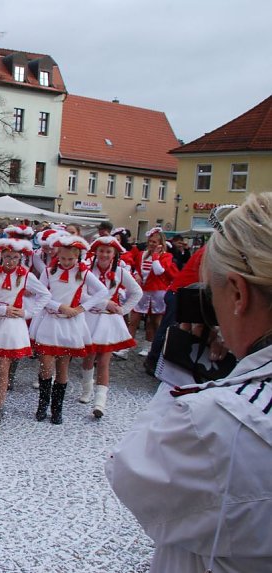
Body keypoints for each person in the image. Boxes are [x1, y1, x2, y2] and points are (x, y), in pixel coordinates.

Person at [107, 195, 272, 572]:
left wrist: (182, 375)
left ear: (238, 295)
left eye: (211, 295)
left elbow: (131, 473)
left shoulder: (217, 422)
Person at [0, 238, 49, 433]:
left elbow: (45, 295)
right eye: (7, 257)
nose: (11, 261)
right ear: (0, 256)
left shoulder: (26, 276)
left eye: (15, 258)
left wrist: (27, 312)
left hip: (12, 326)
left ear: (21, 258)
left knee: (3, 367)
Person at [29, 235, 108, 424]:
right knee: (46, 367)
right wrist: (59, 306)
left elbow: (103, 291)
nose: (66, 262)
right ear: (58, 255)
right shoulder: (48, 272)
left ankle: (57, 409)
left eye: (70, 259)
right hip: (49, 321)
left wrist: (82, 308)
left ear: (77, 257)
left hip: (70, 324)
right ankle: (42, 405)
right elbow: (41, 295)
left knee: (63, 367)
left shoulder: (83, 272)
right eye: (63, 258)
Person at [78, 236, 142, 418]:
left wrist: (123, 310)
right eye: (101, 251)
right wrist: (105, 303)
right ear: (95, 252)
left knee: (104, 361)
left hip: (108, 322)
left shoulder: (120, 272)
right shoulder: (88, 269)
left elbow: (137, 292)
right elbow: (82, 295)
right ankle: (87, 390)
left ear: (114, 254)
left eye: (108, 251)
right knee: (88, 358)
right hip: (91, 318)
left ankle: (100, 401)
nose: (104, 255)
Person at [127, 227, 178, 356]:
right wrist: (136, 274)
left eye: (155, 242)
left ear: (161, 243)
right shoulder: (141, 254)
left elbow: (159, 271)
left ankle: (149, 346)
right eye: (150, 241)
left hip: (157, 292)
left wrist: (155, 256)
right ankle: (125, 347)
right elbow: (137, 269)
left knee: (153, 322)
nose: (151, 244)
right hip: (142, 291)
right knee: (134, 319)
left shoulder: (166, 256)